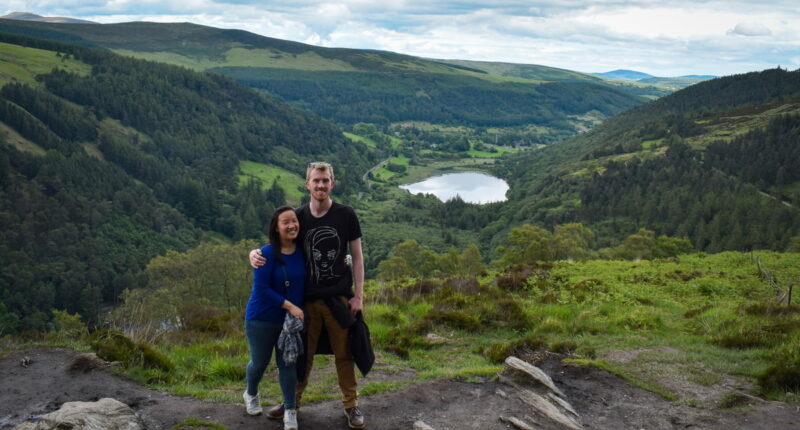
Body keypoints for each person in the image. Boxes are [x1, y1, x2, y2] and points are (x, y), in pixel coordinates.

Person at [249, 161, 366, 429]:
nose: (321, 185)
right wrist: (254, 253)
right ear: (308, 184)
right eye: (316, 180)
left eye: (325, 180)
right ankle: (293, 403)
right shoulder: (299, 216)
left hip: (339, 298)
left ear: (332, 183)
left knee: (344, 354)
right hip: (307, 301)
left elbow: (357, 258)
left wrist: (358, 296)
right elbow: (279, 243)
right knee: (301, 355)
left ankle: (351, 405)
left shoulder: (346, 214)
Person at [244, 205, 306, 430]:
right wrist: (290, 306)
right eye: (286, 222)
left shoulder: (302, 250)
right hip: (261, 318)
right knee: (259, 362)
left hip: (288, 323)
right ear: (277, 228)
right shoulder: (266, 253)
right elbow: (261, 289)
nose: (292, 225)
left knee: (287, 364)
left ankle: (290, 410)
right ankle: (251, 394)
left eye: (294, 221)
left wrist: (345, 259)